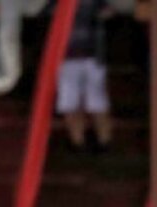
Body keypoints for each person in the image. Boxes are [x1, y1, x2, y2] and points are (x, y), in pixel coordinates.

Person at [58, 0, 113, 152]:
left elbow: (108, 11)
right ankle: (78, 143)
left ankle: (104, 143)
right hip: (65, 57)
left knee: (97, 103)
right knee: (69, 104)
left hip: (92, 56)